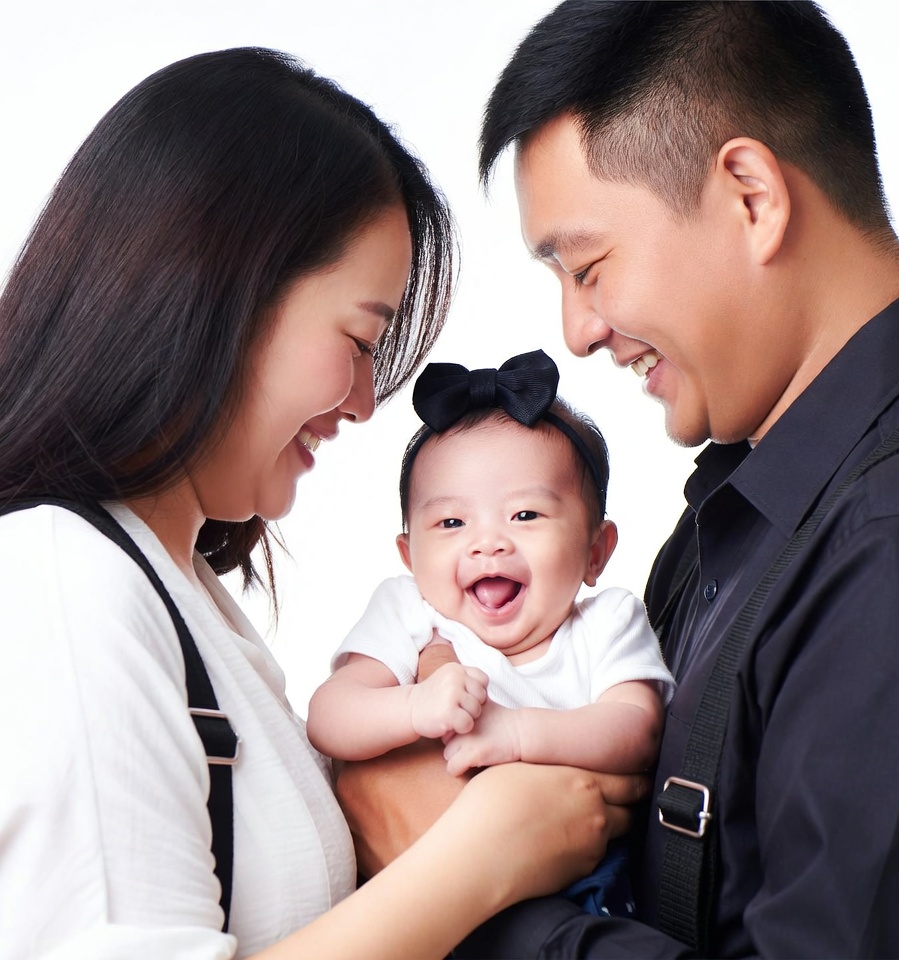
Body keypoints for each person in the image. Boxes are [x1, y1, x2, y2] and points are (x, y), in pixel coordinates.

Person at [335, 2, 899, 957]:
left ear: (753, 196)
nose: (578, 331)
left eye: (587, 267)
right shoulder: (748, 499)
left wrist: (472, 888)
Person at [0, 47, 644, 960]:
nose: (360, 402)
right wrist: (483, 857)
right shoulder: (68, 584)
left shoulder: (182, 600)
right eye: (359, 337)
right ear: (217, 295)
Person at [308, 350, 674, 915]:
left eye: (525, 516)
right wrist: (413, 707)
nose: (488, 542)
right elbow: (330, 717)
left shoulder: (607, 622)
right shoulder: (412, 610)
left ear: (595, 551)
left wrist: (518, 733)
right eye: (451, 522)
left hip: (582, 882)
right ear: (410, 554)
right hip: (421, 875)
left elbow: (636, 728)